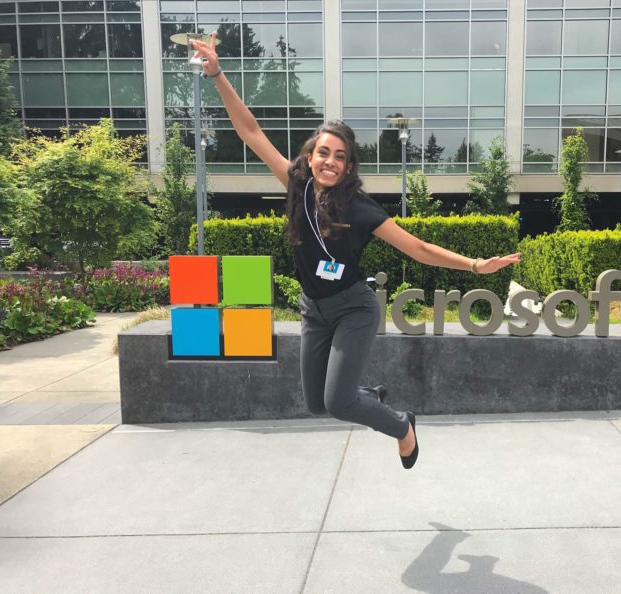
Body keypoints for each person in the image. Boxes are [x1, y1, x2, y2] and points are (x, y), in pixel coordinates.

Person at [191, 34, 519, 470]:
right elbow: (250, 130)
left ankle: (403, 427)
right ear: (310, 158)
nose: (330, 161)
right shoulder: (296, 185)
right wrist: (216, 73)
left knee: (339, 402)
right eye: (323, 152)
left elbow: (418, 248)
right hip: (314, 310)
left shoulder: (362, 210)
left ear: (348, 166)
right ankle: (369, 397)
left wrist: (476, 264)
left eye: (340, 156)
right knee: (316, 404)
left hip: (353, 309)